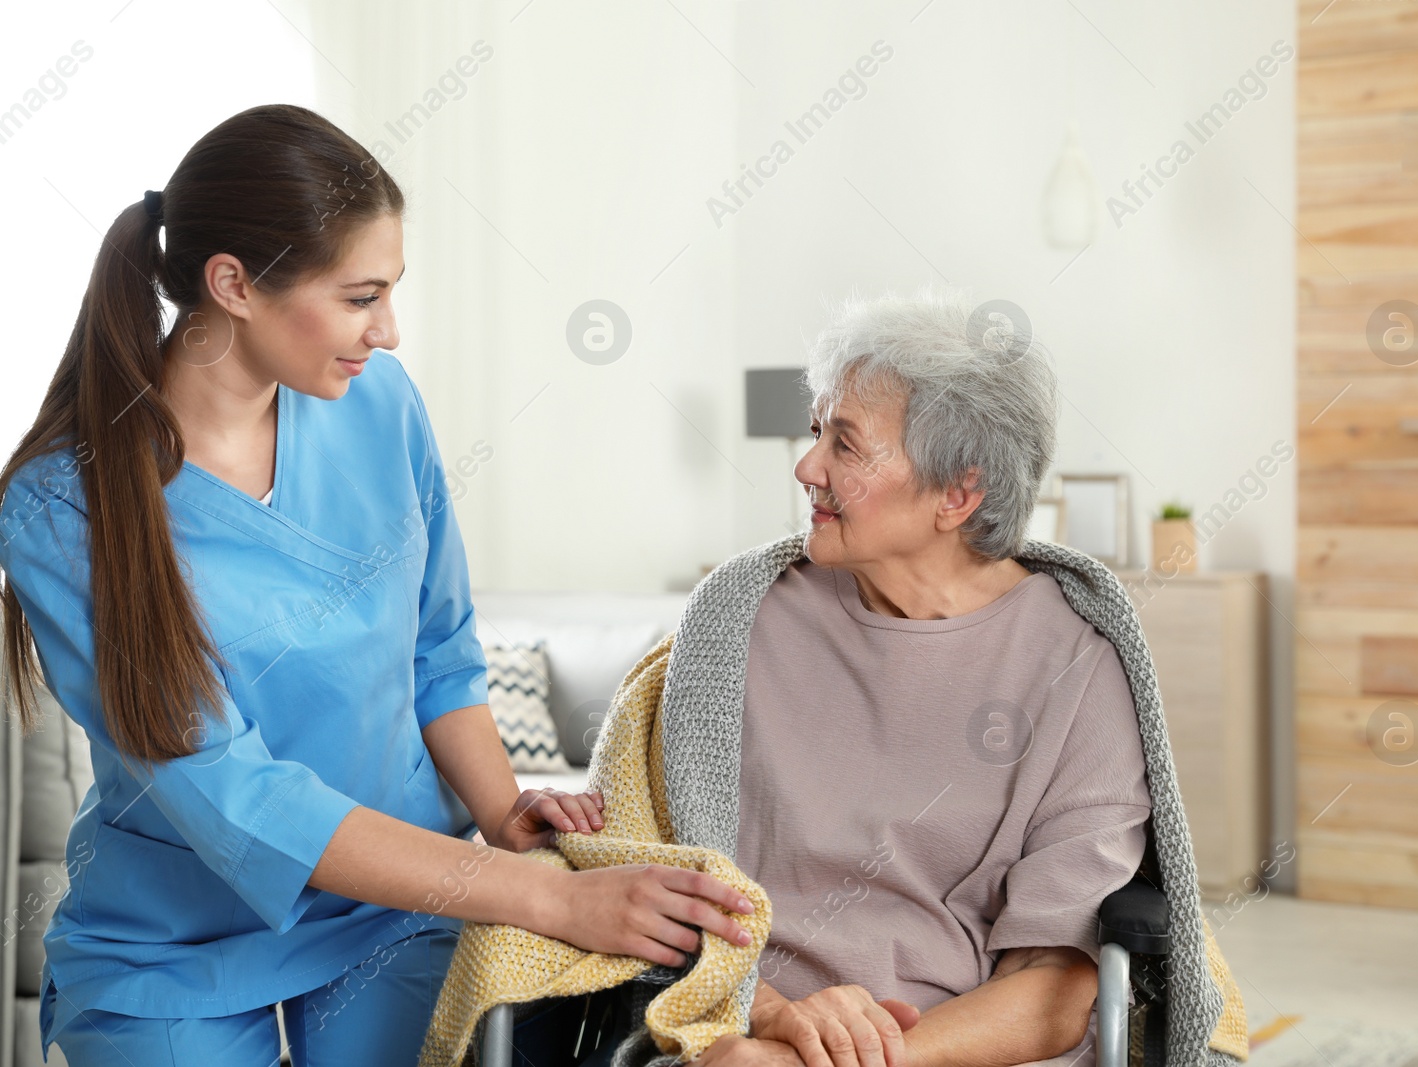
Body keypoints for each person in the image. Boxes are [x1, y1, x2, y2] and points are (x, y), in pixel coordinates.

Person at [0, 103, 752, 1067]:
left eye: (390, 294)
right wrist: (550, 896)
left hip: (396, 906)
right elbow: (237, 794)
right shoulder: (63, 509)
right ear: (231, 284)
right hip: (169, 944)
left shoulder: (378, 406)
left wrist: (501, 812)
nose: (387, 332)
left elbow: (438, 648)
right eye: (361, 297)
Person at [691, 291, 1154, 1066]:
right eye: (817, 433)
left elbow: (1057, 985)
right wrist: (770, 1019)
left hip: (949, 1046)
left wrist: (846, 1063)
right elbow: (657, 873)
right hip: (739, 1025)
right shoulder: (743, 617)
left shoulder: (1076, 660)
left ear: (958, 494)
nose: (806, 467)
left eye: (845, 444)